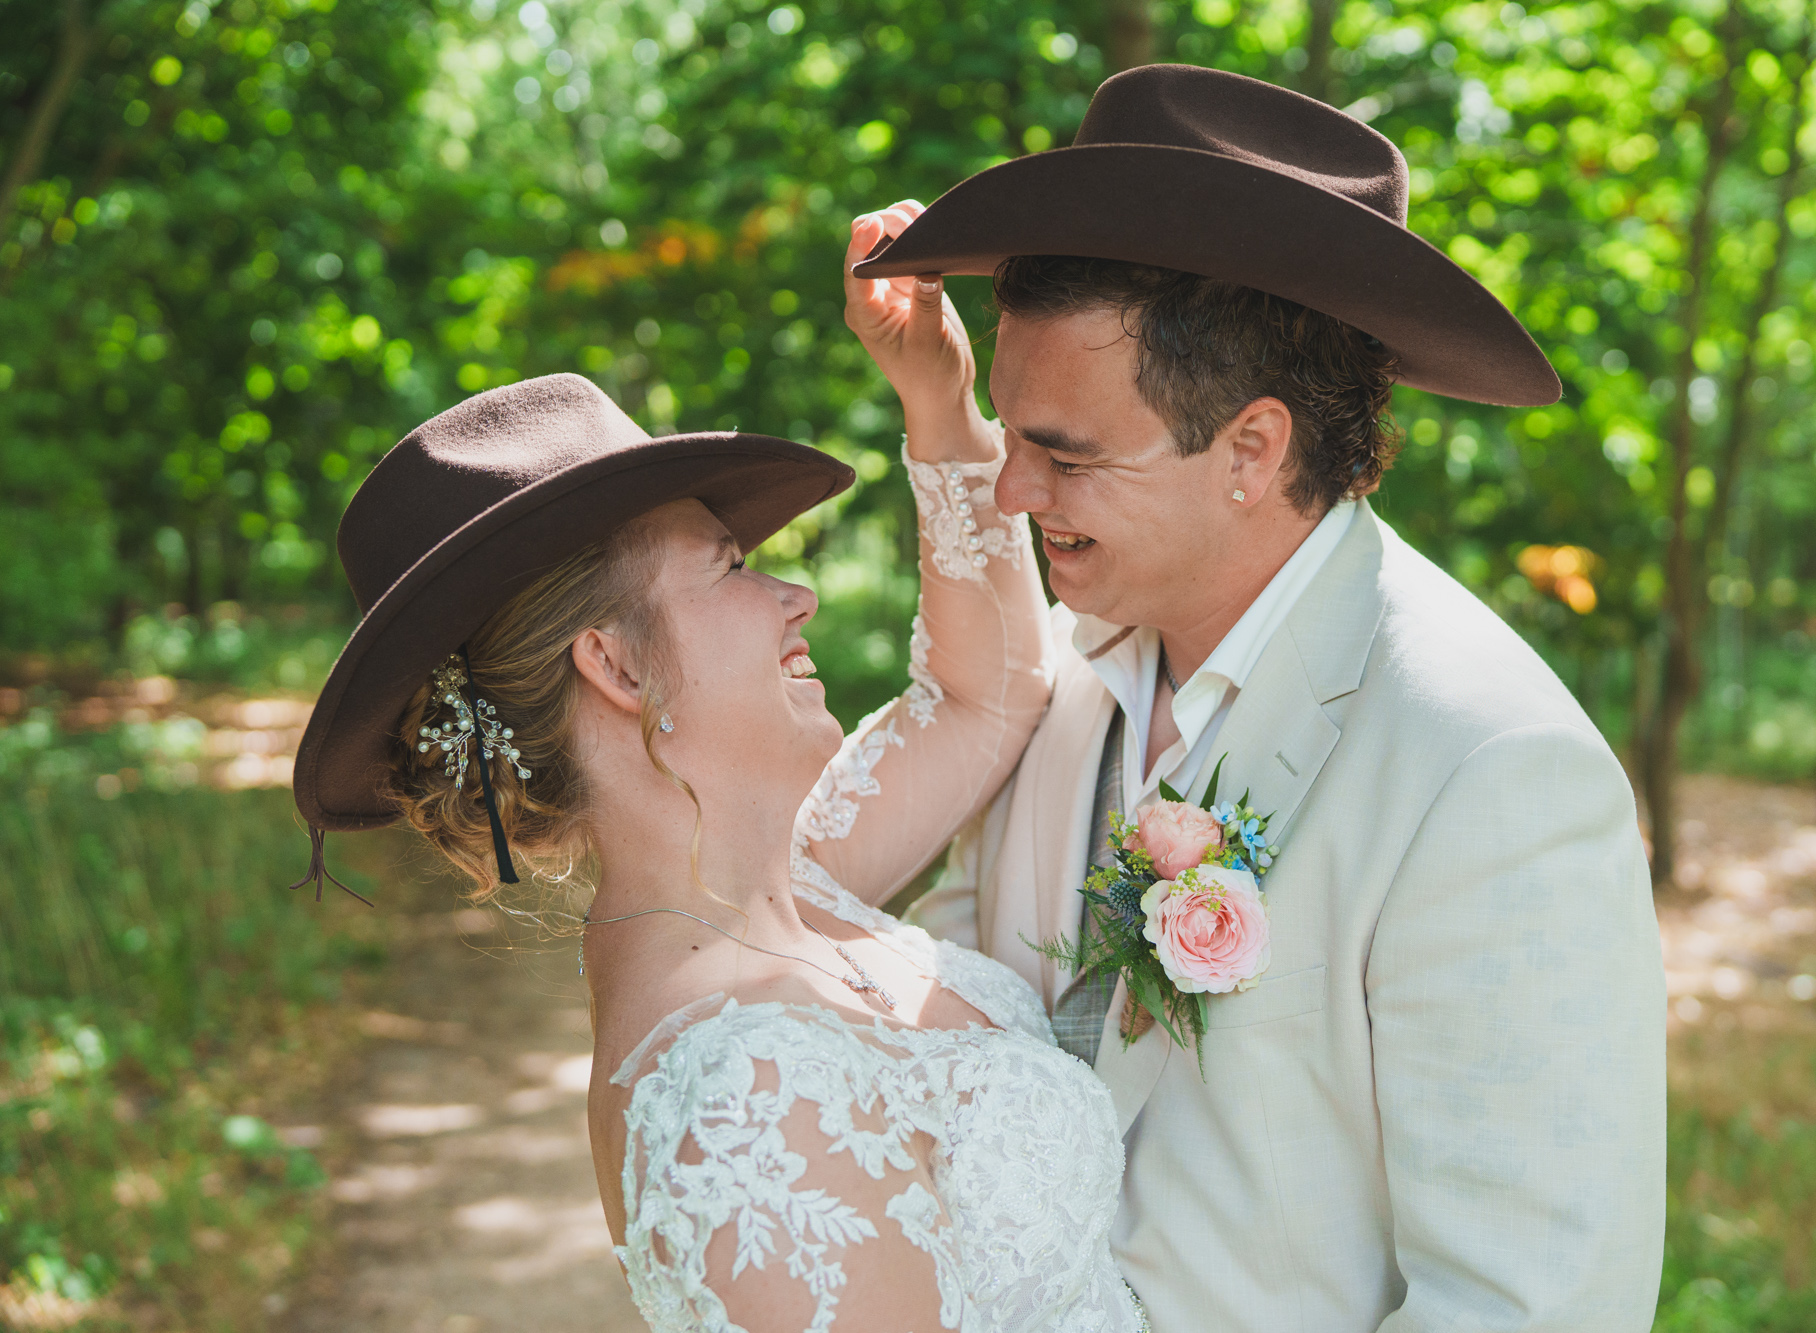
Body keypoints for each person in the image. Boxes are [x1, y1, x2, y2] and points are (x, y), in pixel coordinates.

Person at [856, 64, 1668, 1332]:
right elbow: (952, 1014)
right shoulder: (1048, 683)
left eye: (1063, 454)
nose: (1012, 494)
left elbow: (1525, 1301)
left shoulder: (1489, 767)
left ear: (1251, 448)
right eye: (1006, 437)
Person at [288, 217, 1149, 1331]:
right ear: (612, 662)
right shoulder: (743, 1101)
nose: (797, 596)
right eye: (732, 568)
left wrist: (940, 402)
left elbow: (985, 693)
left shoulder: (786, 877)